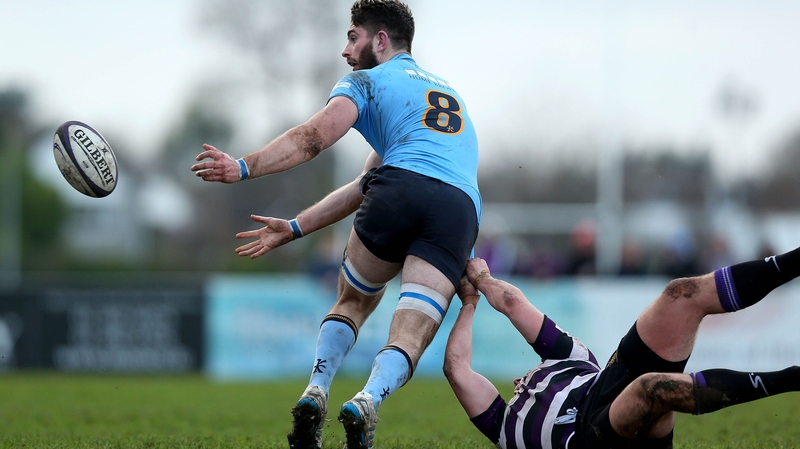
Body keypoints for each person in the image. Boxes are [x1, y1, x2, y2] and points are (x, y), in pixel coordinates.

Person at [190, 1, 481, 448]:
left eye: (352, 37)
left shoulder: (366, 82)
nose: (345, 51)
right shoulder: (446, 98)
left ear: (380, 40)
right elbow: (370, 183)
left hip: (399, 191)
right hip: (458, 210)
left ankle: (317, 388)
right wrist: (296, 226)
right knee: (413, 330)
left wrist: (243, 167)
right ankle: (368, 399)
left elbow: (312, 138)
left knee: (353, 301)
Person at [445, 253, 800, 448]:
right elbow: (456, 367)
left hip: (610, 382)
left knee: (680, 294)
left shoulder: (568, 358)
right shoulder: (503, 424)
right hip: (591, 438)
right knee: (651, 387)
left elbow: (512, 303)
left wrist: (482, 279)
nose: (518, 382)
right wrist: (469, 302)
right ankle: (793, 378)